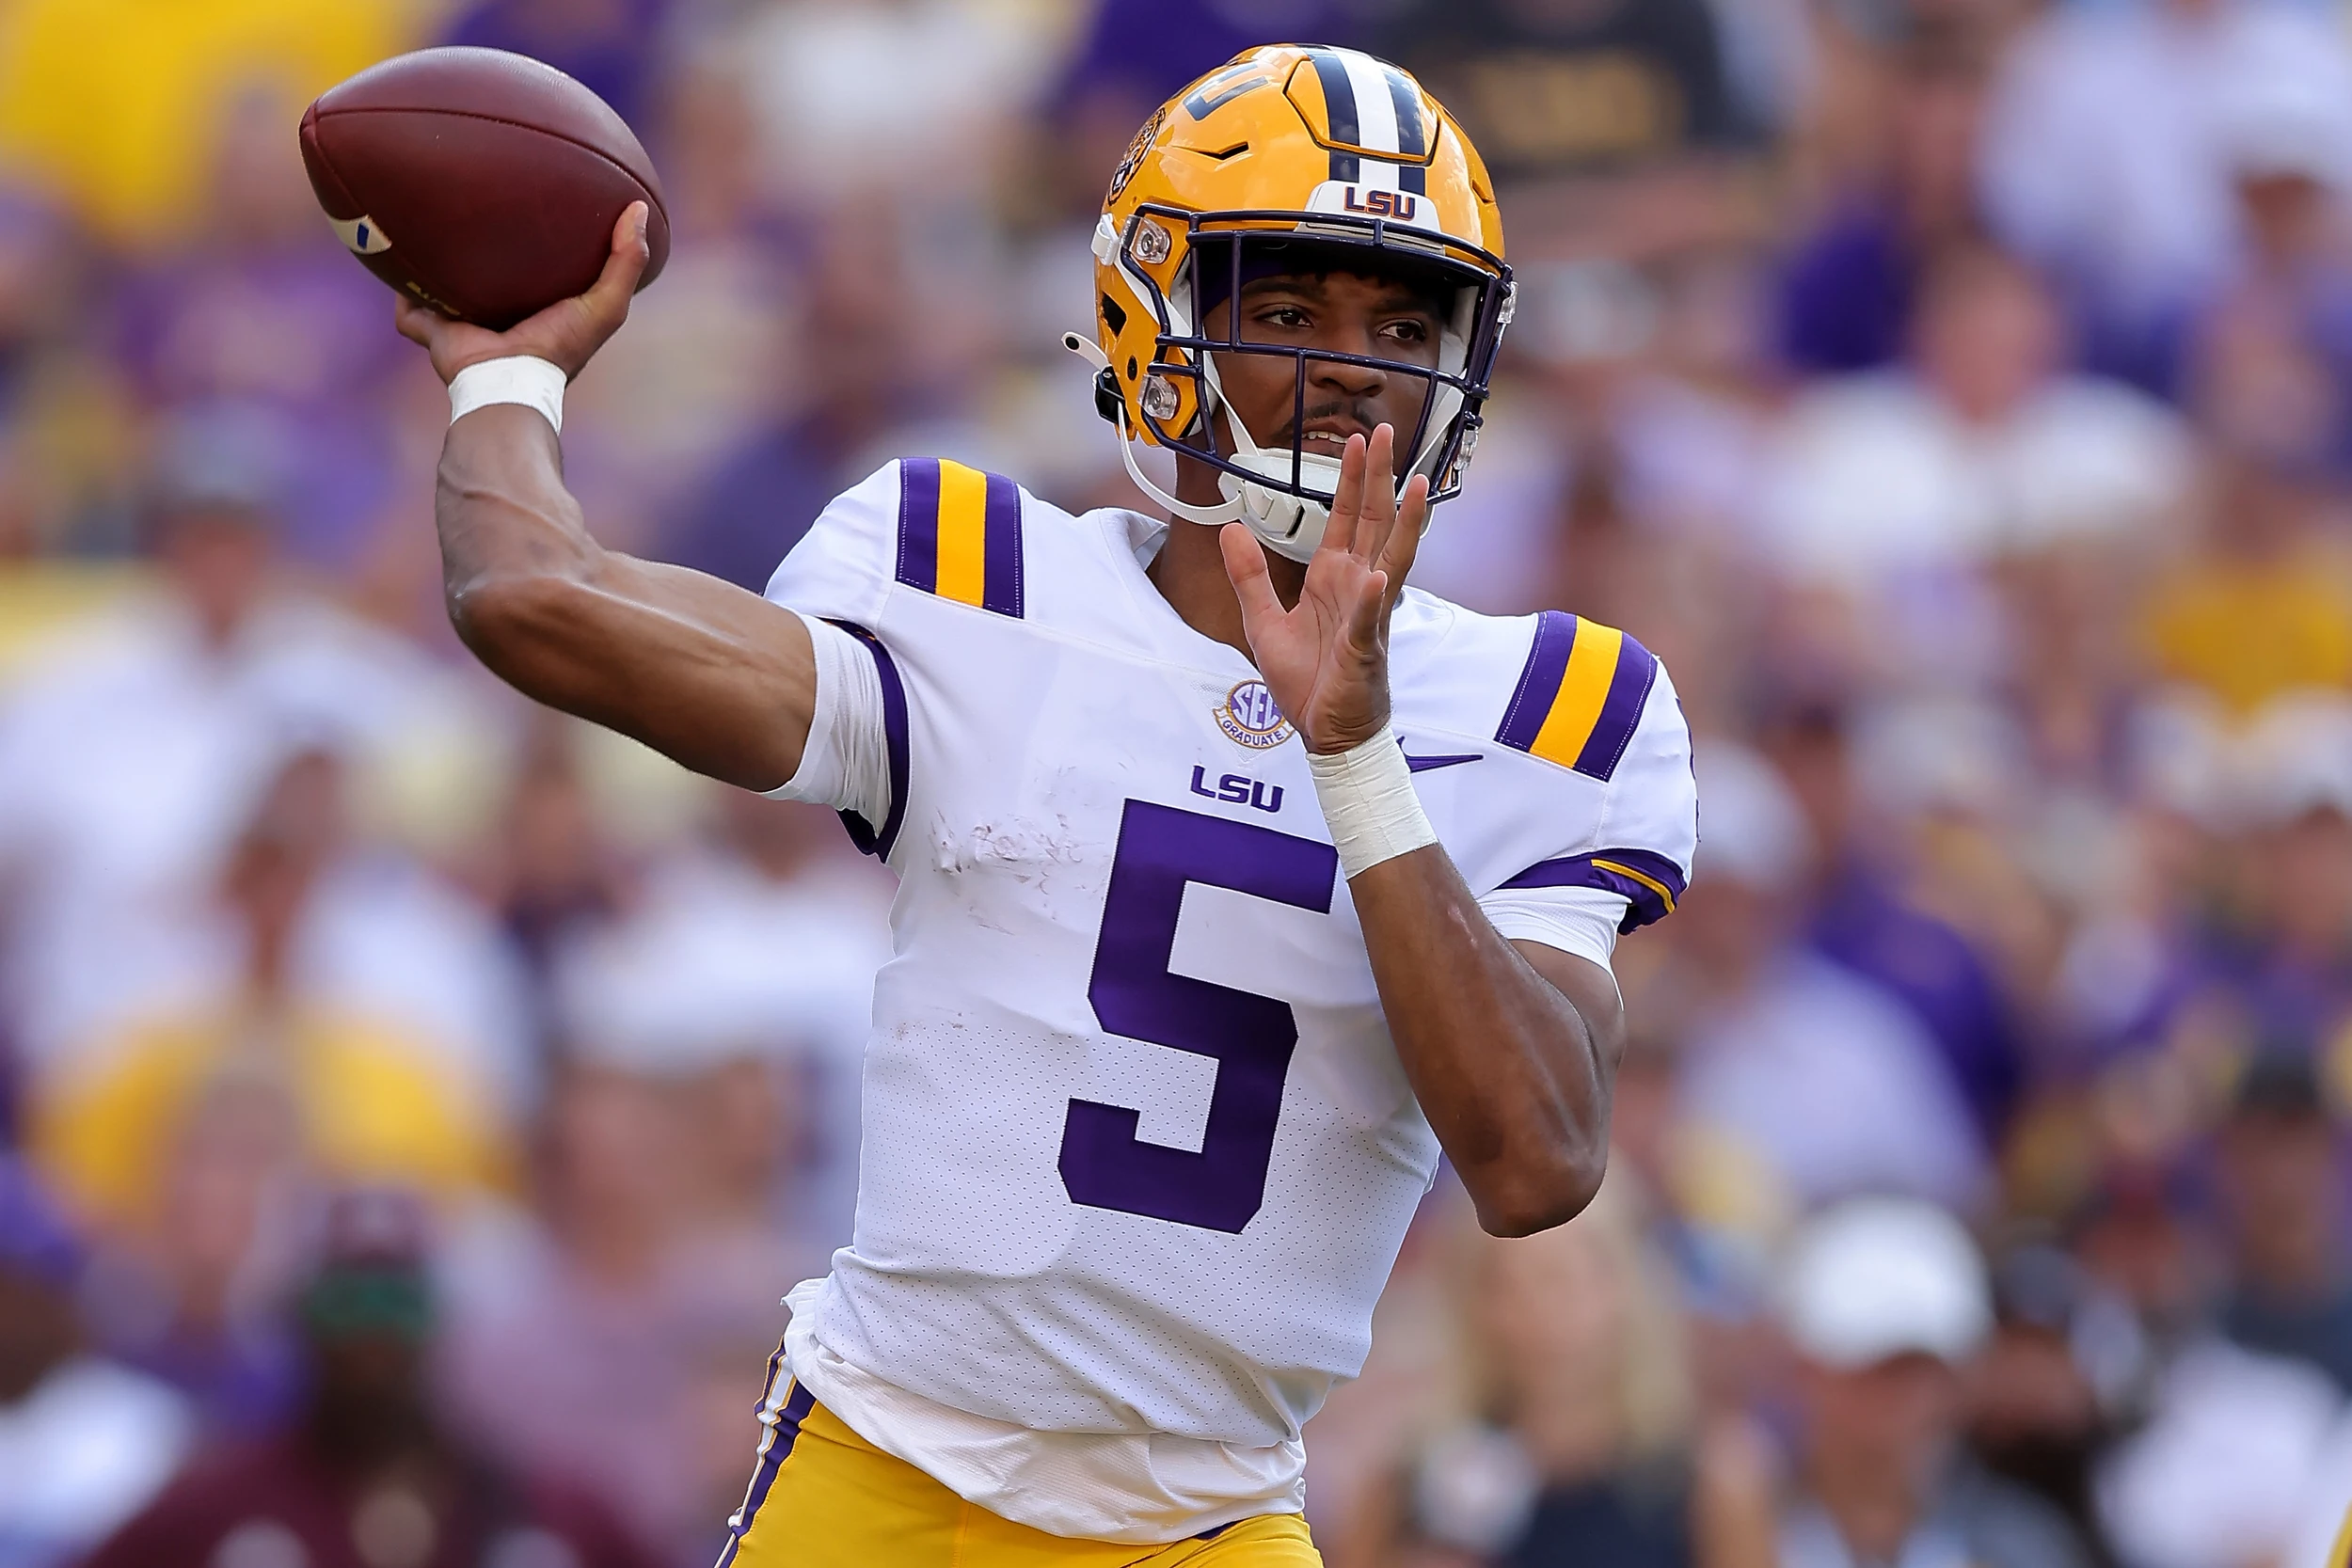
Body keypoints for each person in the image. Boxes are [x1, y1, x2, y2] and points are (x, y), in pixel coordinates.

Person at [389, 42, 1697, 1566]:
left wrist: (1355, 751)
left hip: (1206, 1514)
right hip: (883, 1474)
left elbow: (1537, 1159)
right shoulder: (975, 579)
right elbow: (535, 597)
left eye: (1402, 319)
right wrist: (504, 368)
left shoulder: (1546, 708)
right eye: (1286, 307)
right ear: (1161, 322)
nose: (1351, 365)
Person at [84, 1188, 658, 1568]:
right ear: (299, 1315)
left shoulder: (548, 1511)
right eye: (345, 1302)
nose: (372, 1336)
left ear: (438, 1317)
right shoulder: (214, 1509)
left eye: (396, 1302)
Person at [1776, 1198, 2092, 1568]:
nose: (1901, 1397)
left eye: (1922, 1368)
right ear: (1805, 1369)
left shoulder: (2022, 1546)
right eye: (1874, 1367)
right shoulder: (1733, 1527)